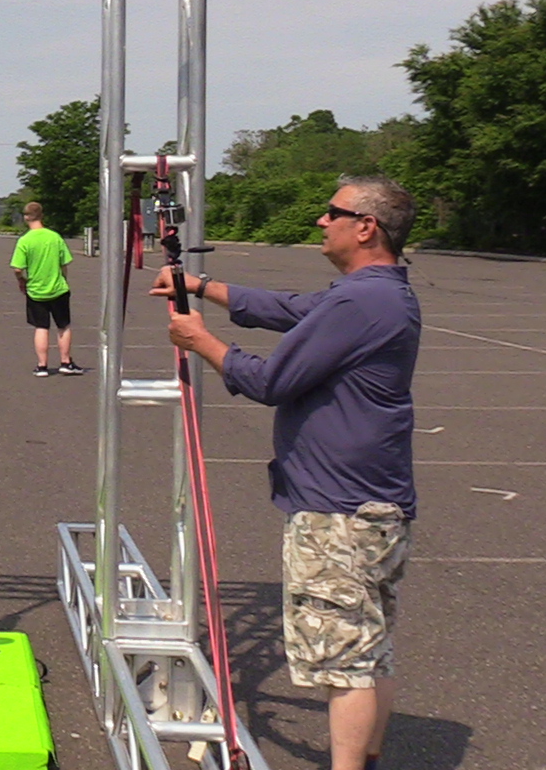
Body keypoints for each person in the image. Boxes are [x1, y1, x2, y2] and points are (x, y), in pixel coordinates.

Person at [154, 176, 420, 770]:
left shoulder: (361, 300)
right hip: (374, 504)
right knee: (369, 651)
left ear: (366, 226)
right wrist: (199, 284)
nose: (322, 222)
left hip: (341, 513)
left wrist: (203, 341)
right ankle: (368, 757)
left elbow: (273, 381)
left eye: (334, 213)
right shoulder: (374, 291)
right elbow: (294, 310)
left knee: (344, 663)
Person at [11, 201, 85, 377]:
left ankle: (42, 365)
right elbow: (64, 263)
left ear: (26, 217)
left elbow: (17, 268)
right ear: (41, 215)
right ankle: (66, 362)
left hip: (36, 290)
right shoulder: (54, 237)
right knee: (63, 326)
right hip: (58, 288)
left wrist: (22, 280)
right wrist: (63, 279)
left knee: (41, 327)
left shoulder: (25, 240)